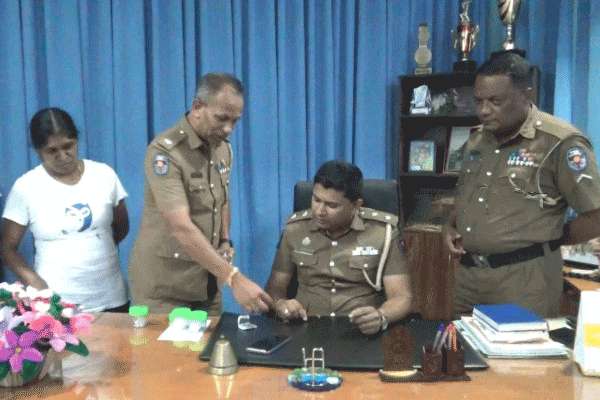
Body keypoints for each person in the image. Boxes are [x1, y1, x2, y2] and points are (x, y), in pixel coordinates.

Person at [444, 52, 600, 317]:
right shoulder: (477, 139)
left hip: (525, 279)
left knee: (521, 344)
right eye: (479, 101)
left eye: (495, 101)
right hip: (470, 276)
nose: (484, 110)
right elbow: (467, 194)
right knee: (462, 344)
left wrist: (553, 238)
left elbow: (595, 215)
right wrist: (450, 225)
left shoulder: (559, 142)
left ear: (527, 94)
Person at [129, 73, 273, 315]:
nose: (228, 129)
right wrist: (233, 278)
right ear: (197, 107)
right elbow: (180, 226)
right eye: (221, 118)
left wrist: (225, 240)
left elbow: (221, 199)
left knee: (212, 341)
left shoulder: (223, 149)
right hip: (166, 288)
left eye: (235, 121)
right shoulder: (165, 153)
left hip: (207, 283)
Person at [1, 107, 130, 312]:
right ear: (38, 151)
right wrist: (35, 282)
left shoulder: (104, 175)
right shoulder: (26, 187)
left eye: (68, 146)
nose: (63, 156)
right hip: (56, 304)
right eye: (52, 151)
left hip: (111, 298)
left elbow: (122, 226)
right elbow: (7, 248)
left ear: (77, 140)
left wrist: (94, 248)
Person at [266, 160, 413, 335]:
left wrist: (381, 316)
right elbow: (275, 289)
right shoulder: (295, 230)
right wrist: (281, 305)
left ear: (356, 205)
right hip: (306, 328)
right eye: (316, 200)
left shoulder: (383, 233)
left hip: (359, 330)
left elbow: (402, 296)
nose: (320, 211)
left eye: (332, 205)